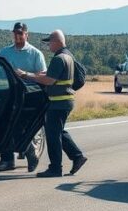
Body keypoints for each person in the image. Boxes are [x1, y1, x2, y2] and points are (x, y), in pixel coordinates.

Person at [17, 29, 87, 178]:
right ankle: (77, 157)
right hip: (64, 101)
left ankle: (55, 168)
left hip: (58, 103)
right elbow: (49, 74)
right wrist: (34, 75)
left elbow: (49, 80)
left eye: (50, 42)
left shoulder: (58, 58)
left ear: (56, 42)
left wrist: (26, 75)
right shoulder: (67, 56)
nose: (49, 46)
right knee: (58, 132)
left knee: (53, 135)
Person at [0, 22, 46, 173]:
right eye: (15, 33)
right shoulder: (4, 52)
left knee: (21, 128)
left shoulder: (35, 54)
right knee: (5, 126)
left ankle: (30, 154)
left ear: (27, 34)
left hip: (27, 96)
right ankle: (7, 160)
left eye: (20, 33)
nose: (17, 36)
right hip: (7, 96)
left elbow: (42, 77)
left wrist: (25, 75)